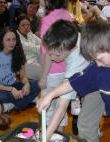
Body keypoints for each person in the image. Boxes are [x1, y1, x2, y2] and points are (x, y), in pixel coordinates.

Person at [32, 19, 89, 142]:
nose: (52, 58)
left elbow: (61, 108)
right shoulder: (65, 39)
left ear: (72, 49)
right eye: (49, 54)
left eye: (56, 55)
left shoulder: (77, 58)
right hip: (83, 76)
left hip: (100, 82)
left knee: (85, 124)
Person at [0, 26, 40, 113]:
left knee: (37, 84)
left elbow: (23, 77)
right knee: (0, 96)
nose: (12, 42)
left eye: (14, 39)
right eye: (8, 40)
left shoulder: (17, 54)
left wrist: (27, 84)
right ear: (1, 41)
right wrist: (12, 90)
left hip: (12, 85)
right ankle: (23, 101)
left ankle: (10, 105)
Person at [38, 0, 72, 130]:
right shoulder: (67, 15)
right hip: (67, 70)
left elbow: (48, 52)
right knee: (60, 108)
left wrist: (43, 77)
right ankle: (59, 140)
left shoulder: (48, 19)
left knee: (48, 109)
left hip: (52, 71)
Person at [16, 15, 41, 80]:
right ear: (18, 26)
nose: (26, 27)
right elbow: (35, 48)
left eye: (28, 25)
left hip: (36, 61)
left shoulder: (30, 34)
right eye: (23, 25)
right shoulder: (16, 38)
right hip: (25, 65)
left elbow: (41, 43)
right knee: (47, 72)